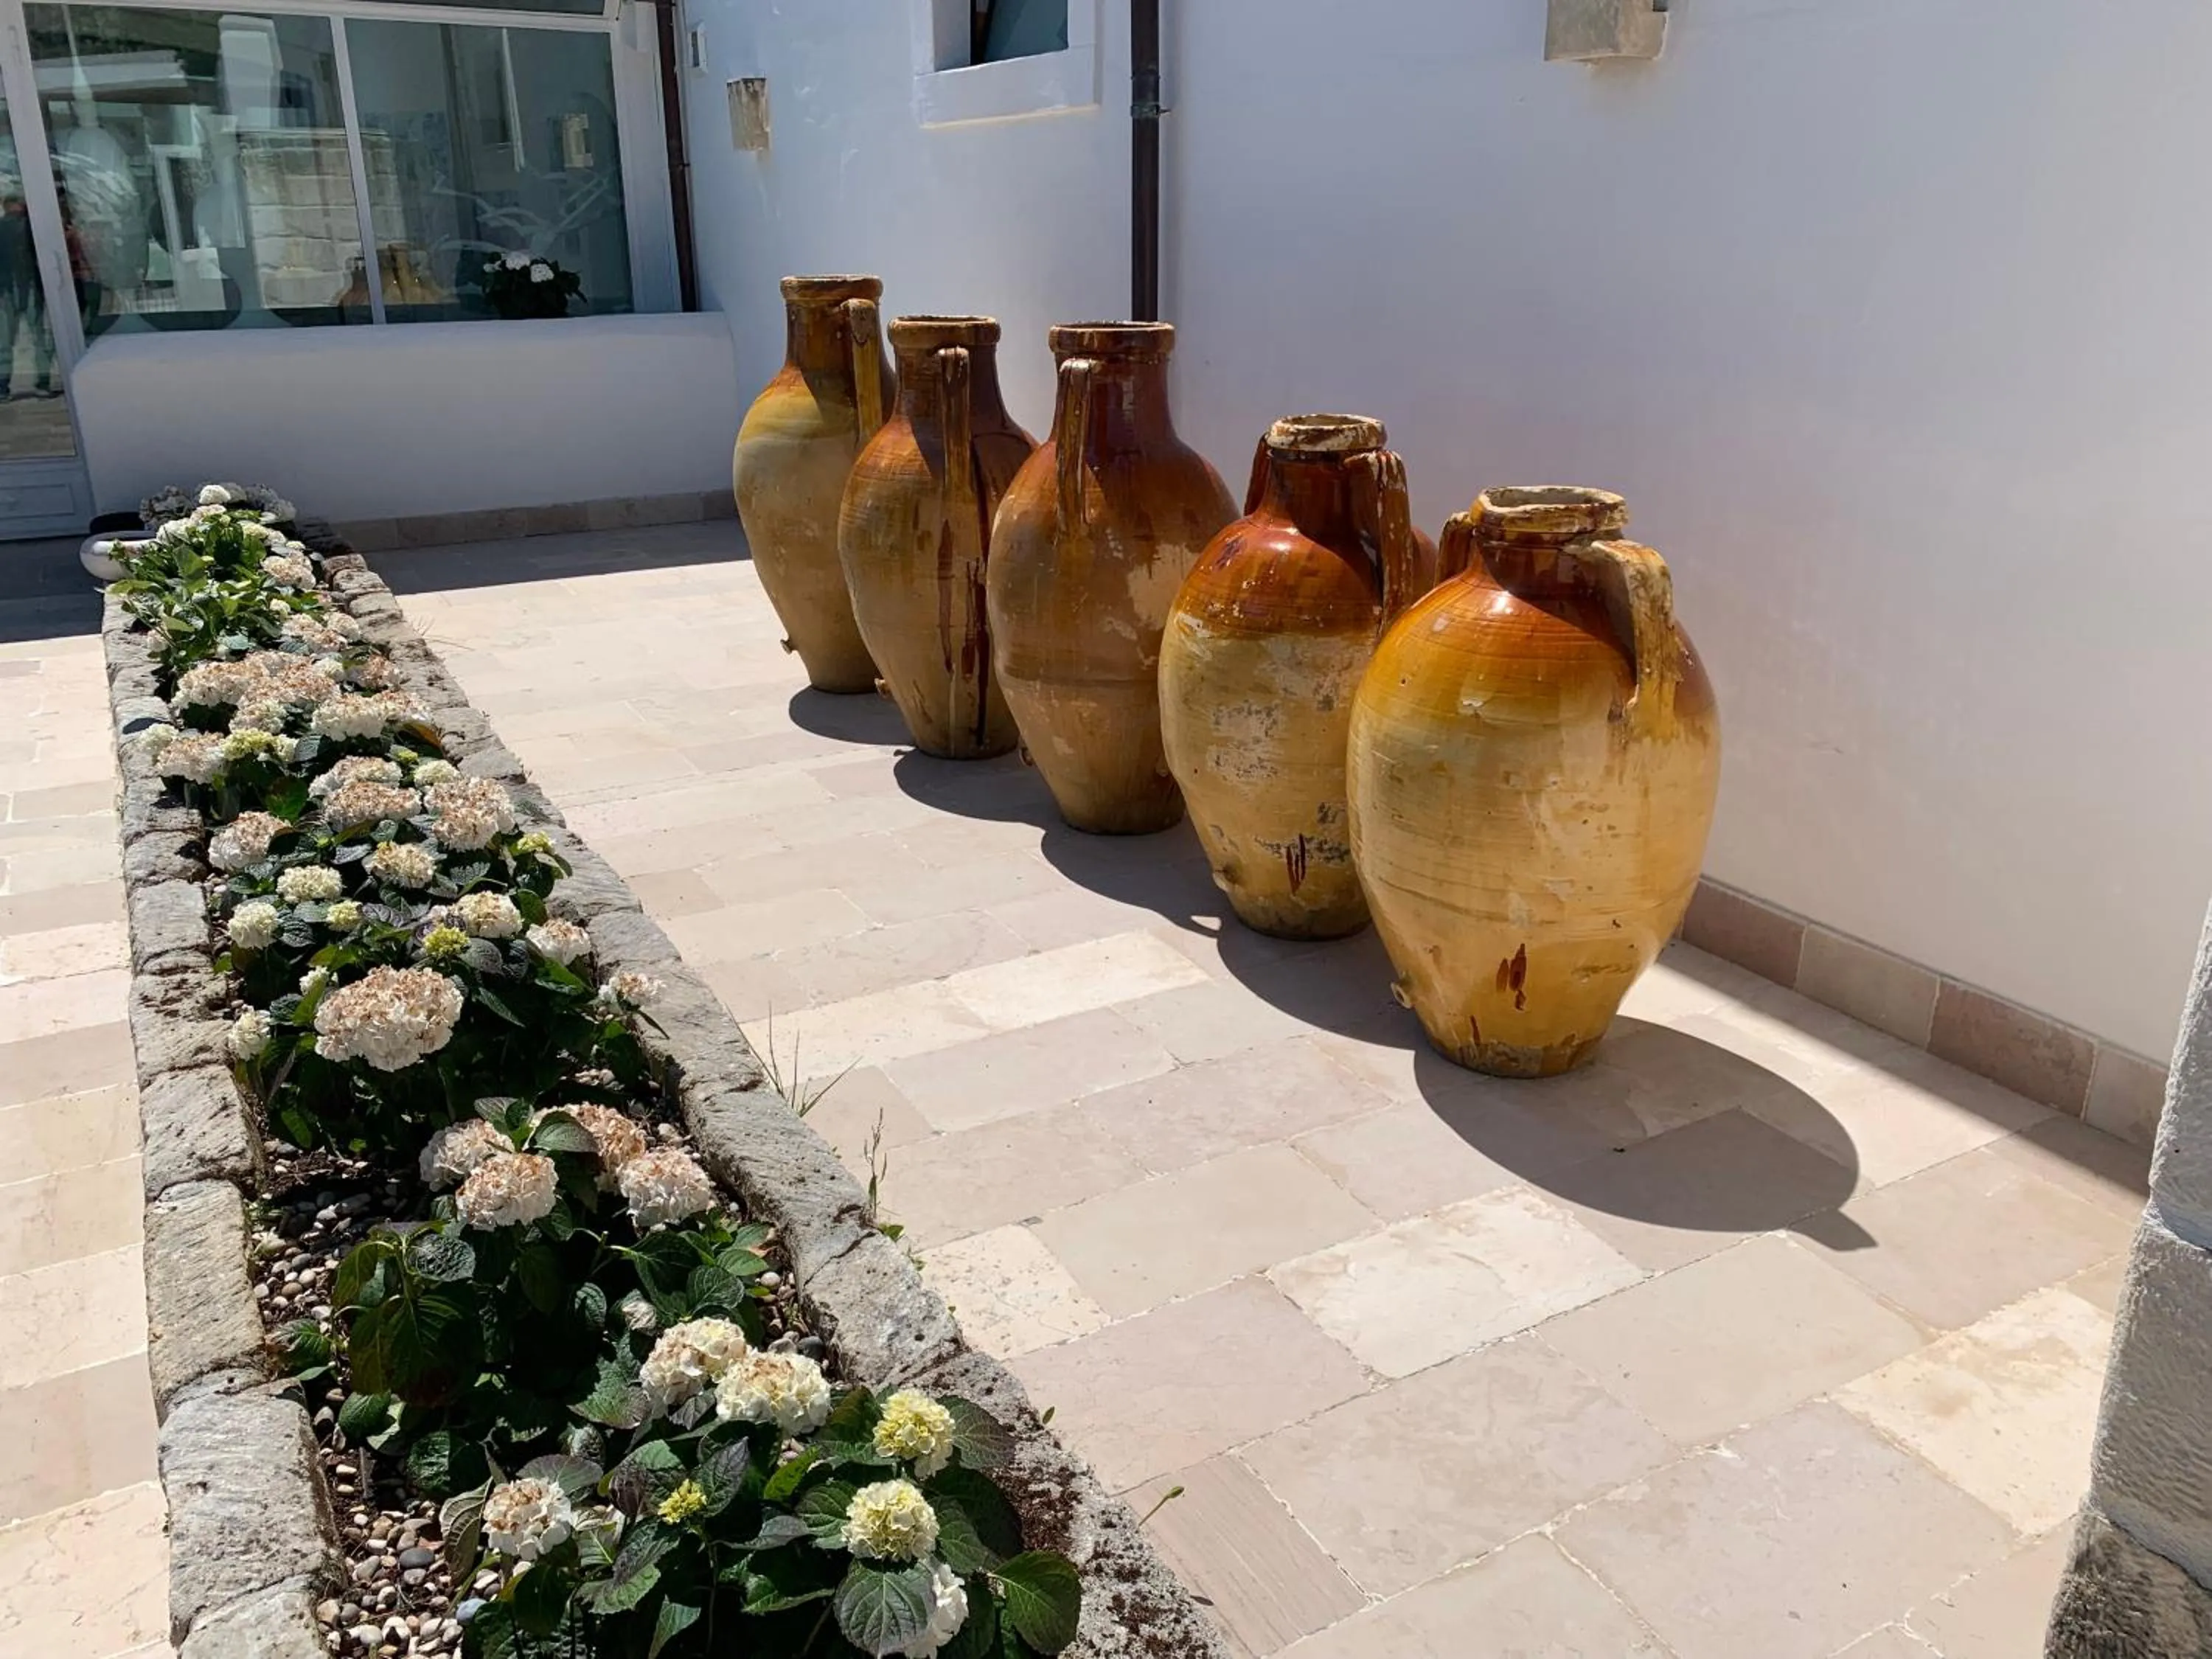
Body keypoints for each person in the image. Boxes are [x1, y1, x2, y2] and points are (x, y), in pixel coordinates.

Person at [0, 194, 52, 400]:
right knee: (38, 337)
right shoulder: (31, 227)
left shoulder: (2, 227)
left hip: (6, 290)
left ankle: (3, 385)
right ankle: (43, 382)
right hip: (30, 286)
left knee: (5, 340)